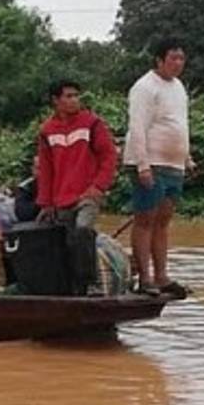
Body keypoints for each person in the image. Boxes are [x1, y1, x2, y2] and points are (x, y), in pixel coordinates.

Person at [123, 39, 194, 298]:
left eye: (181, 58)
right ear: (159, 60)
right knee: (145, 220)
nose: (178, 63)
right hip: (150, 162)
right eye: (173, 58)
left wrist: (186, 159)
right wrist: (142, 166)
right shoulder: (144, 87)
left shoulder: (179, 87)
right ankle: (145, 277)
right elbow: (138, 127)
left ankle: (162, 275)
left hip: (174, 164)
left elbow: (180, 124)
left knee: (163, 221)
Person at [36, 79, 119, 289]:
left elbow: (109, 157)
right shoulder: (47, 130)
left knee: (82, 230)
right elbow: (46, 170)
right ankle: (70, 287)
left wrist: (98, 186)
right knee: (65, 242)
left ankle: (91, 284)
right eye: (69, 96)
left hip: (87, 195)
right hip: (60, 198)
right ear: (56, 100)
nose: (74, 100)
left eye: (76, 96)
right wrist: (45, 203)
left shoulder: (92, 123)